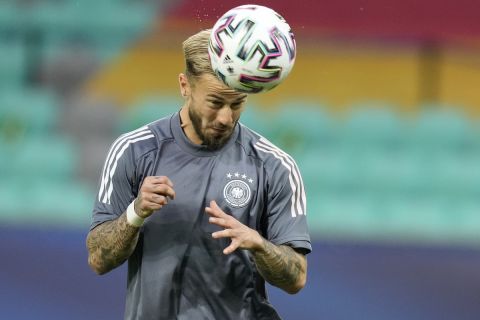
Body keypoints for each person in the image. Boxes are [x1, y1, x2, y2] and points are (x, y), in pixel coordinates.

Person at [86, 29, 311, 320]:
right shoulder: (134, 150)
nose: (225, 117)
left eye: (237, 103)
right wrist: (135, 213)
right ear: (184, 86)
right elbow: (97, 259)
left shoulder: (274, 165)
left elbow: (296, 279)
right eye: (215, 102)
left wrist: (259, 244)